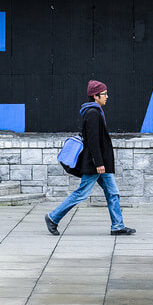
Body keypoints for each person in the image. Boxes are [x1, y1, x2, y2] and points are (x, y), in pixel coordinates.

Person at [45, 80, 136, 236]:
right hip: (96, 164)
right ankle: (53, 217)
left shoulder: (96, 111)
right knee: (82, 193)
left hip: (101, 163)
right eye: (104, 94)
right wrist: (99, 163)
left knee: (113, 193)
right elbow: (93, 141)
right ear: (95, 96)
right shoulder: (93, 113)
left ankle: (117, 226)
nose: (107, 96)